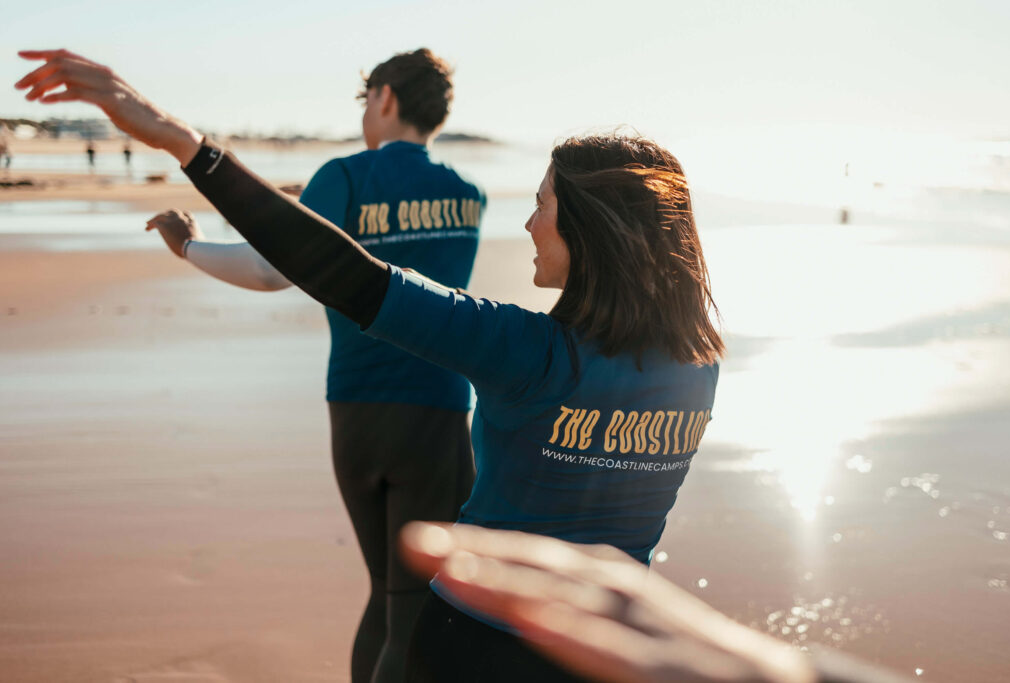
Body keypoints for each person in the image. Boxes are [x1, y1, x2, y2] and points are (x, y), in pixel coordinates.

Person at [17, 50, 723, 682]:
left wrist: (182, 142)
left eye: (542, 205)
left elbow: (339, 268)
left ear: (589, 230)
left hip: (471, 646)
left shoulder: (518, 350)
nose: (530, 224)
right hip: (609, 656)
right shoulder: (701, 367)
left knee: (388, 596)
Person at [144, 48, 484, 683]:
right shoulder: (469, 196)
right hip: (434, 415)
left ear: (384, 98)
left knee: (385, 592)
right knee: (413, 606)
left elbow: (270, 269)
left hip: (353, 416)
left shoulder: (344, 178)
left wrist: (189, 247)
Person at [399, 522, 914, 683]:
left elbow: (386, 297)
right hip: (606, 616)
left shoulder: (527, 340)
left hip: (515, 619)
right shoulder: (696, 360)